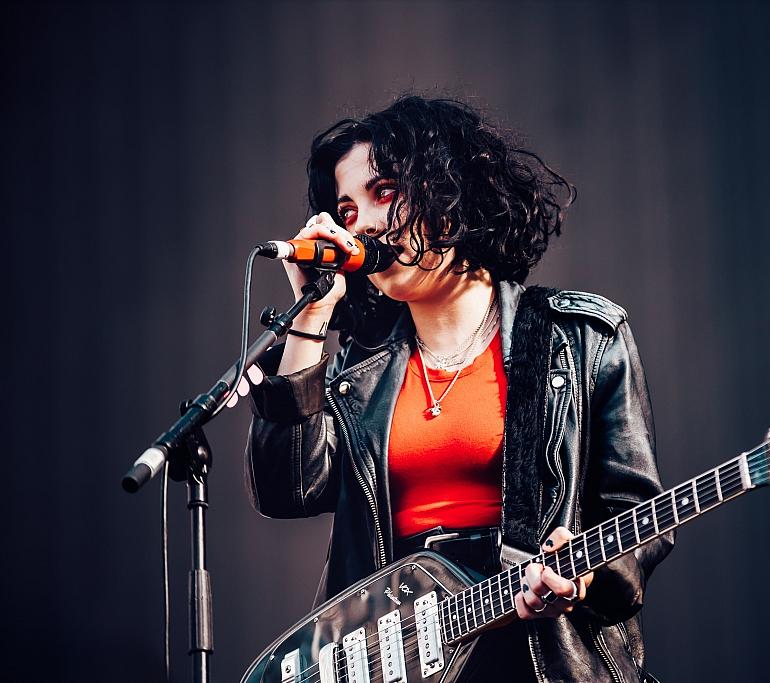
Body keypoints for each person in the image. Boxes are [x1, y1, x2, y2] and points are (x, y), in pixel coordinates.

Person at [243, 95, 673, 682]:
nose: (360, 223)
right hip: (403, 661)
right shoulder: (358, 372)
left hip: (542, 658)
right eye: (346, 210)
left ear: (449, 191)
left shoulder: (581, 337)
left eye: (384, 191)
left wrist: (584, 575)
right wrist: (310, 317)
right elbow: (288, 490)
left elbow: (640, 517)